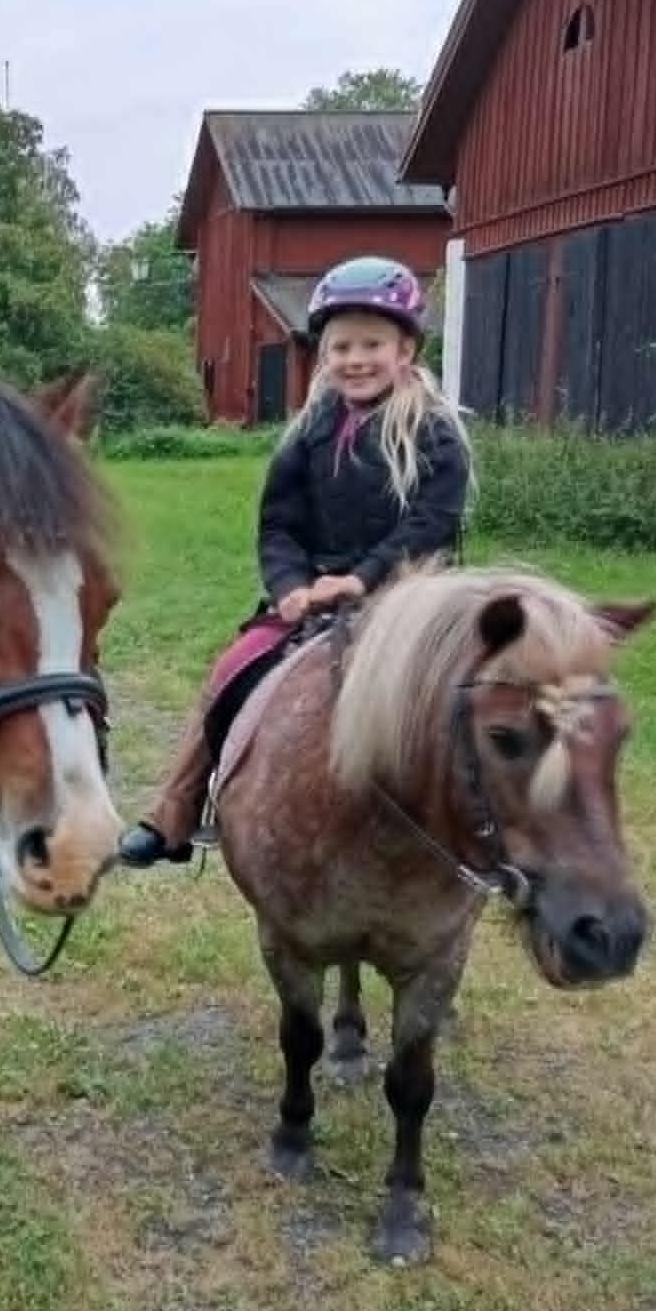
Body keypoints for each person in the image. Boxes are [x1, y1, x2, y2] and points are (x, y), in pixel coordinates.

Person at [119, 256, 472, 868]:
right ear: (322, 354)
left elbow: (428, 525)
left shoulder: (436, 434)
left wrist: (361, 578)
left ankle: (484, 824)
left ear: (406, 348)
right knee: (233, 668)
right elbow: (278, 523)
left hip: (407, 598)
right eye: (340, 347)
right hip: (310, 598)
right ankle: (174, 807)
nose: (354, 359)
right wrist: (289, 585)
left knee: (479, 695)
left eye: (372, 344)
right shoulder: (307, 432)